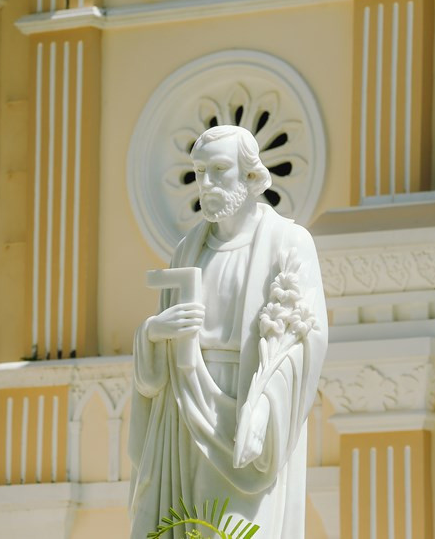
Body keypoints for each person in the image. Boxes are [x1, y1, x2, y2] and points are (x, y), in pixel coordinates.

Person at [128, 125, 328, 538]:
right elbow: (156, 368)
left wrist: (265, 410)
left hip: (246, 419)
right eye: (199, 172)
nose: (206, 183)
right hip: (183, 415)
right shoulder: (189, 248)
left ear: (251, 176)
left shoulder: (288, 243)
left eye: (219, 169)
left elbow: (303, 340)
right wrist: (151, 334)